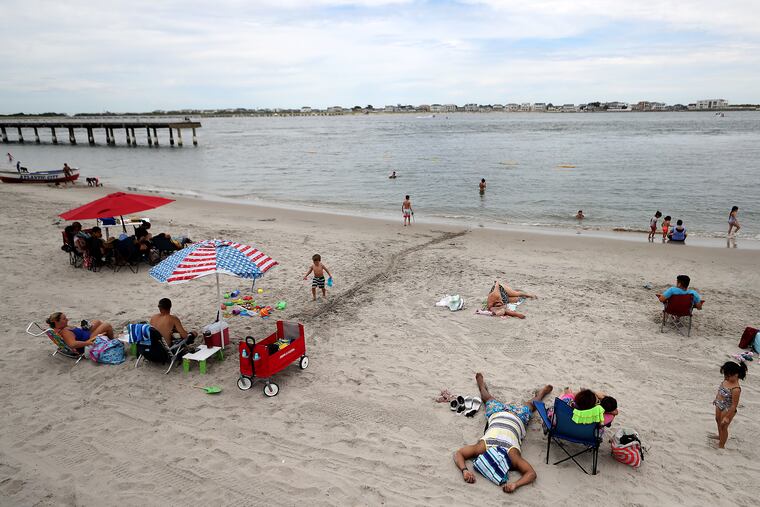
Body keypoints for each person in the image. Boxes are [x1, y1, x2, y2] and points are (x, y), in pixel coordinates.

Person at [453, 373, 553, 494]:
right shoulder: (512, 455)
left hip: (497, 413)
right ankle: (542, 393)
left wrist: (464, 470)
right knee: (530, 405)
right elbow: (531, 474)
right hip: (517, 417)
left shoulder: (483, 447)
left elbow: (459, 453)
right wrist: (515, 485)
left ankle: (481, 384)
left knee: (488, 399)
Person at [711, 361, 747, 449]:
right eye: (725, 375)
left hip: (728, 409)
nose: (726, 377)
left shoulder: (736, 389)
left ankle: (721, 445)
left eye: (728, 375)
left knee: (724, 426)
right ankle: (720, 436)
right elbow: (720, 390)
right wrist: (716, 399)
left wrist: (727, 417)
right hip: (719, 404)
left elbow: (734, 405)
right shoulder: (726, 380)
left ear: (736, 375)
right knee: (718, 420)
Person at [46, 312, 114, 354]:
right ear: (56, 322)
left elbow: (75, 334)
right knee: (106, 325)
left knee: (97, 322)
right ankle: (113, 341)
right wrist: (88, 343)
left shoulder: (62, 327)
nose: (67, 319)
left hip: (85, 334)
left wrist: (83, 328)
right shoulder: (65, 332)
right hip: (88, 339)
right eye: (64, 319)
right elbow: (72, 344)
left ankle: (107, 337)